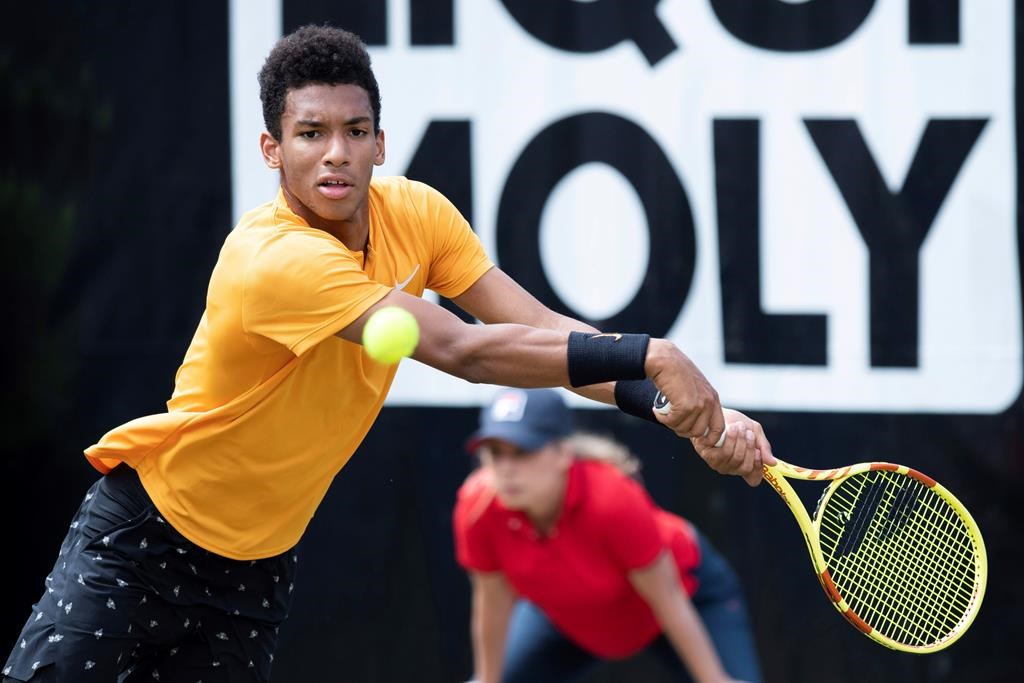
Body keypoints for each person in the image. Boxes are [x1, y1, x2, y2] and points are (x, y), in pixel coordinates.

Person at [2, 24, 772, 683]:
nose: (335, 154)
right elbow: (465, 351)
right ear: (272, 149)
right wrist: (653, 354)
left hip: (256, 570)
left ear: (380, 139)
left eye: (354, 130)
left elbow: (536, 327)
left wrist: (668, 404)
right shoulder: (271, 260)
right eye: (310, 134)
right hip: (144, 541)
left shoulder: (419, 215)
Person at [453, 388, 763, 683]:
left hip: (686, 598)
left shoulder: (611, 499)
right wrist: (488, 678)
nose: (505, 469)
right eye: (495, 453)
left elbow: (667, 596)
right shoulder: (477, 506)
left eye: (522, 452)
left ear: (564, 452)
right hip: (566, 614)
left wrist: (713, 678)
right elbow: (491, 599)